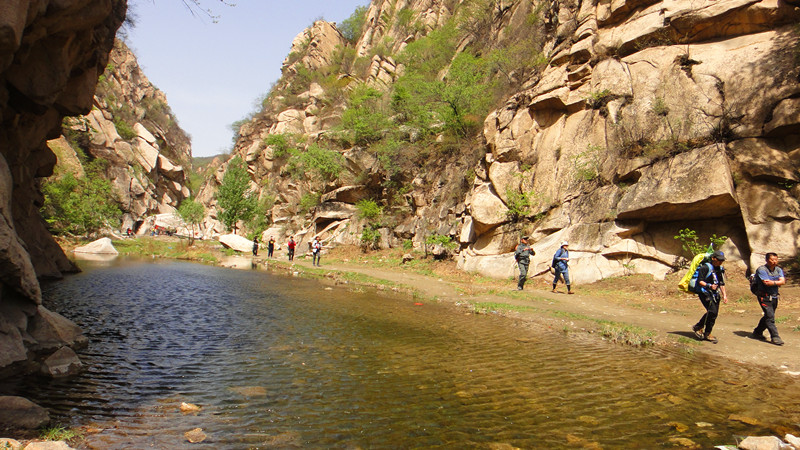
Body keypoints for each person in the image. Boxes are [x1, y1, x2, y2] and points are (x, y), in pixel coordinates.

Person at [691, 250, 728, 343]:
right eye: (719, 260)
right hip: (704, 293)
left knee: (714, 314)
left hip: (715, 294)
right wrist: (709, 286)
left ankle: (707, 332)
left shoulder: (720, 269)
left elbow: (721, 283)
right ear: (713, 258)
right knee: (712, 311)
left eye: (722, 260)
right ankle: (699, 327)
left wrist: (724, 295)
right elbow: (700, 281)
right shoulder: (705, 267)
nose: (720, 262)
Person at [751, 252, 785, 346]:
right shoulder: (762, 269)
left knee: (768, 315)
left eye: (776, 259)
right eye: (772, 259)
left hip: (774, 296)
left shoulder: (778, 269)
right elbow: (766, 283)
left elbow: (783, 281)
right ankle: (775, 337)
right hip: (764, 296)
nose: (774, 261)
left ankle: (757, 332)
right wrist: (777, 282)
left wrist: (773, 282)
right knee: (770, 316)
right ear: (767, 260)